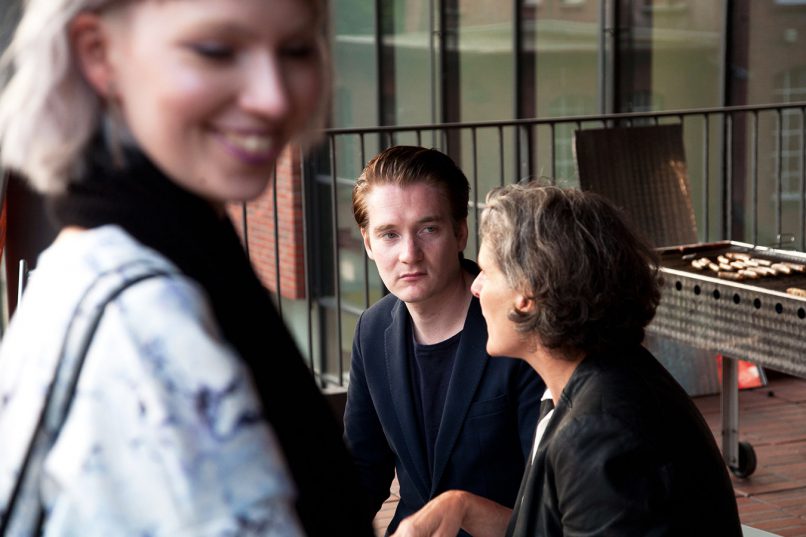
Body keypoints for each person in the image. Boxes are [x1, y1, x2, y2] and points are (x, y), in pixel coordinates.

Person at [0, 1, 373, 535]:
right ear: (98, 52)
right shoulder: (145, 319)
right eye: (216, 51)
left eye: (296, 49)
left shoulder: (101, 260)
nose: (273, 97)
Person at [392, 182, 743, 537]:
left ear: (526, 295)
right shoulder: (589, 378)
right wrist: (461, 505)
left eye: (487, 272)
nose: (476, 287)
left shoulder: (600, 432)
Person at [344, 146, 545, 535]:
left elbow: (547, 510)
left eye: (428, 229)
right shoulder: (372, 328)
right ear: (368, 243)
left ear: (460, 232)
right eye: (389, 234)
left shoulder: (515, 326)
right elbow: (362, 469)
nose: (409, 254)